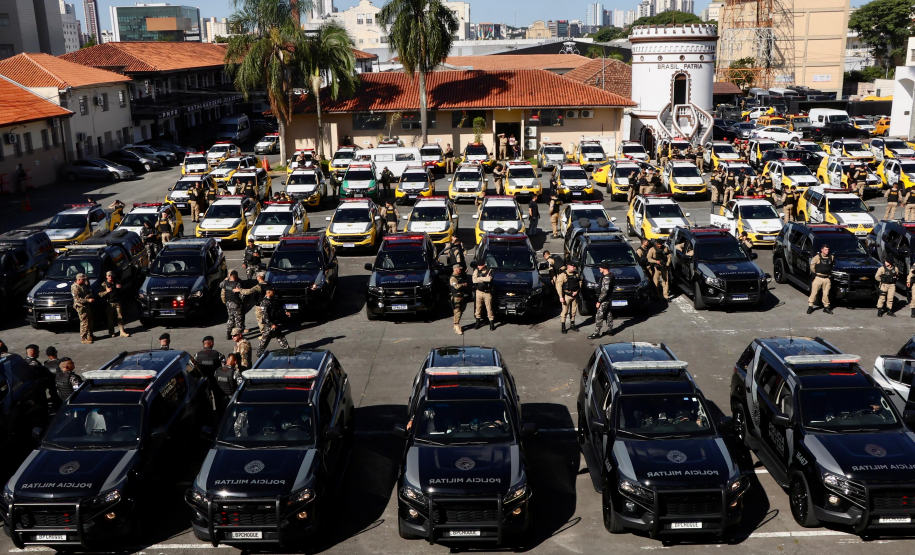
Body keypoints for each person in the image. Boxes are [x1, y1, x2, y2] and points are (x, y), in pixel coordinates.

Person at [256, 286, 290, 357]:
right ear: (268, 292)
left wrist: (285, 312)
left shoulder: (272, 300)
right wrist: (271, 324)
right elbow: (265, 315)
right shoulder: (265, 302)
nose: (274, 292)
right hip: (269, 325)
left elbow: (277, 309)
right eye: (272, 291)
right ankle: (259, 353)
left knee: (280, 337)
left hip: (274, 323)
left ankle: (288, 350)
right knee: (265, 340)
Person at [589, 261, 616, 339]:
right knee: (608, 314)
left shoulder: (606, 278)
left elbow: (604, 292)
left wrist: (599, 301)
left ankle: (596, 333)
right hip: (609, 298)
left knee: (599, 316)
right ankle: (610, 330)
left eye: (600, 267)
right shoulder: (611, 276)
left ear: (604, 268)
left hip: (604, 300)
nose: (599, 268)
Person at [98, 271, 130, 338]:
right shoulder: (104, 284)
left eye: (112, 275)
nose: (111, 277)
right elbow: (100, 294)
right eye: (109, 275)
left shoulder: (116, 282)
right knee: (110, 318)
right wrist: (107, 291)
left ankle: (122, 331)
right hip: (109, 303)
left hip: (117, 301)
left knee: (120, 317)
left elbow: (121, 289)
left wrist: (120, 287)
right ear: (106, 276)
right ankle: (111, 332)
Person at [555, 261, 581, 334]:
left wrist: (577, 291)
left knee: (573, 311)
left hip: (575, 295)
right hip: (566, 295)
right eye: (573, 267)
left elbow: (580, 283)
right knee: (565, 311)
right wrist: (560, 296)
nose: (574, 268)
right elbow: (558, 286)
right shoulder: (563, 275)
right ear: (569, 266)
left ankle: (572, 324)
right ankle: (563, 327)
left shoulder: (576, 274)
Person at [808, 244, 834, 314]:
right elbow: (812, 266)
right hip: (818, 278)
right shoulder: (817, 257)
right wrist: (816, 273)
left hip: (827, 278)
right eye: (825, 249)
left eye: (828, 249)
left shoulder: (831, 257)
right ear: (822, 250)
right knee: (814, 293)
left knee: (826, 294)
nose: (827, 251)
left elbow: (832, 265)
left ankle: (826, 307)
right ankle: (810, 306)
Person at [72, 273, 95, 344]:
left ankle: (90, 335)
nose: (84, 280)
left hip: (86, 305)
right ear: (79, 279)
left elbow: (88, 287)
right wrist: (88, 300)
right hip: (81, 306)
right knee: (84, 322)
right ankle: (83, 338)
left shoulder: (83, 285)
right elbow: (78, 299)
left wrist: (87, 280)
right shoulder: (75, 287)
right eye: (83, 279)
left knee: (90, 321)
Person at [472, 260, 495, 330]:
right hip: (479, 292)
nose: (478, 267)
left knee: (489, 308)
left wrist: (480, 278)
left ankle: (491, 324)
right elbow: (474, 280)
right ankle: (477, 323)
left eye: (480, 265)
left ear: (483, 265)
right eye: (478, 265)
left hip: (487, 292)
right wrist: (484, 278)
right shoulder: (476, 271)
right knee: (478, 308)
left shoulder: (490, 270)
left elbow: (489, 279)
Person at [222, 270, 244, 340]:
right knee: (238, 320)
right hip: (236, 303)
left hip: (228, 303)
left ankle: (228, 333)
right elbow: (242, 295)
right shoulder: (237, 284)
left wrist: (226, 279)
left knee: (230, 318)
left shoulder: (225, 283)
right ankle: (238, 335)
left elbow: (220, 285)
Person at [449, 265, 468, 335]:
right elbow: (456, 286)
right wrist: (463, 285)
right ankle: (456, 326)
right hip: (456, 297)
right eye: (459, 269)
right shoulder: (453, 278)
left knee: (460, 310)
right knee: (457, 311)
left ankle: (455, 324)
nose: (460, 270)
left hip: (461, 296)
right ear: (455, 270)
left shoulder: (459, 276)